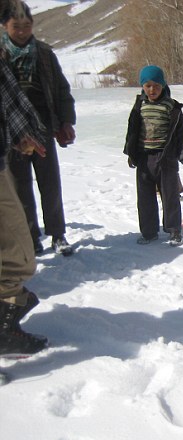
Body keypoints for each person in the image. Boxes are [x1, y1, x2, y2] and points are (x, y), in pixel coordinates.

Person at [1, 1, 76, 256]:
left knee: (50, 183)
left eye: (26, 26)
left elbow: (62, 90)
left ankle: (58, 234)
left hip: (42, 126)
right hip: (11, 133)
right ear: (4, 26)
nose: (22, 31)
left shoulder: (44, 53)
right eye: (15, 26)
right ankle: (31, 238)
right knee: (20, 187)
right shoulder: (1, 55)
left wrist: (65, 122)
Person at [0, 0, 48, 357]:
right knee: (16, 254)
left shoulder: (41, 54)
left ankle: (6, 326)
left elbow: (5, 93)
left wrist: (22, 132)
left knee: (17, 253)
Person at [124, 65, 183, 246]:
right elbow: (132, 130)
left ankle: (173, 230)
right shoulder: (140, 106)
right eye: (147, 86)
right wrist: (131, 153)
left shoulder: (171, 106)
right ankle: (148, 232)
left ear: (163, 85)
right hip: (144, 158)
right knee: (145, 197)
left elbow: (182, 131)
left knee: (170, 196)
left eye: (156, 85)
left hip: (166, 158)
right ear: (142, 87)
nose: (152, 90)